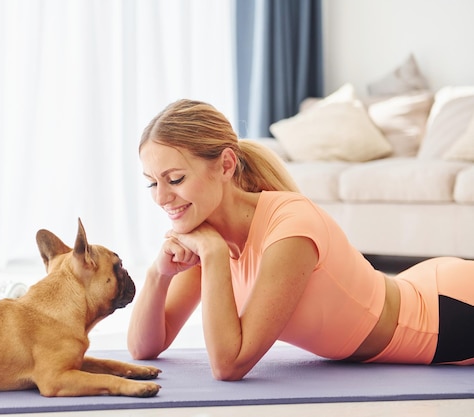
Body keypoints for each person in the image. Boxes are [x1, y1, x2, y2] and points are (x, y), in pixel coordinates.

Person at [127, 98, 474, 381]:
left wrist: (215, 255)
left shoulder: (289, 228)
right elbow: (143, 348)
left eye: (175, 179)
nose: (160, 198)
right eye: (152, 183)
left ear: (226, 165)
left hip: (444, 316)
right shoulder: (203, 233)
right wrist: (159, 274)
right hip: (419, 285)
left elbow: (229, 364)